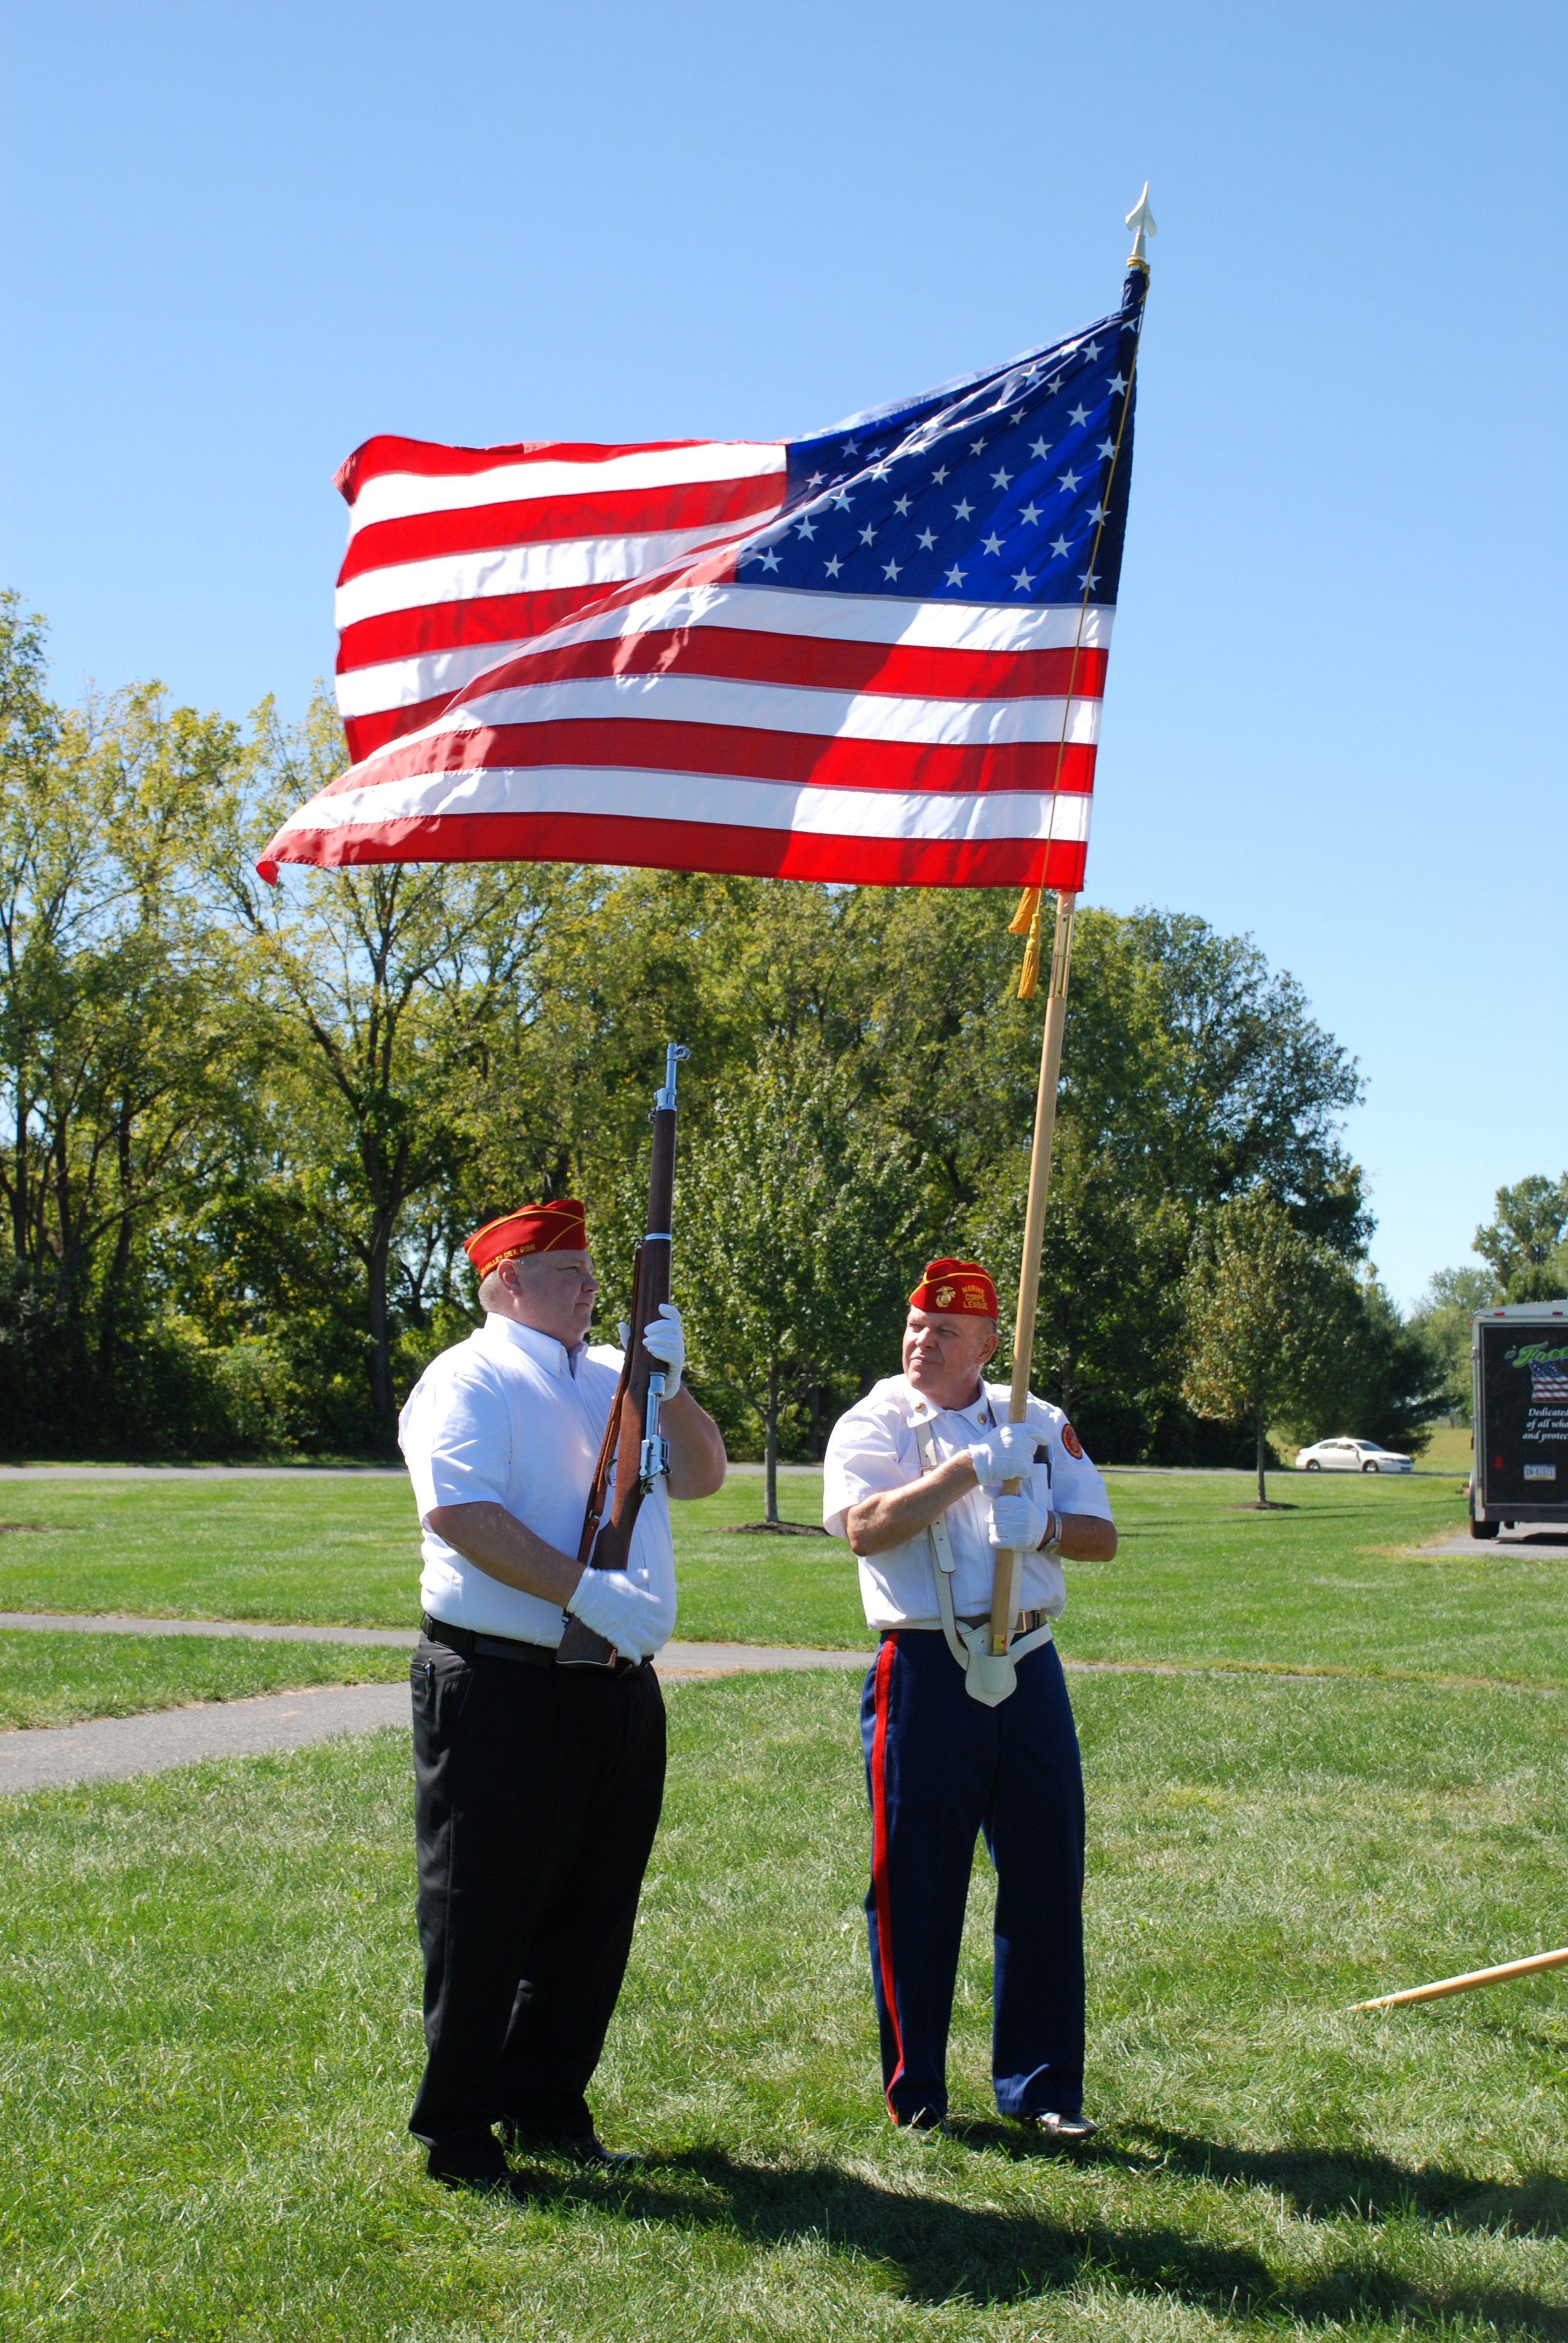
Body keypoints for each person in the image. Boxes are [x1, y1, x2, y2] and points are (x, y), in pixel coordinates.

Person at [397, 1196, 726, 2190]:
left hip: (616, 1684)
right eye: (567, 1271)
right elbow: (458, 1510)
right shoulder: (468, 1377)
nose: (591, 1287)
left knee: (594, 1911)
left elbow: (704, 1475)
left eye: (591, 1271)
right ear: (505, 1283)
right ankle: (457, 2132)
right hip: (502, 1679)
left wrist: (667, 1387)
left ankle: (546, 2103)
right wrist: (584, 1592)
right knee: (482, 1911)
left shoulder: (615, 1380)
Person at [822, 1256, 1117, 2139]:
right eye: (916, 1326)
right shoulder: (875, 1421)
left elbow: (1103, 1537)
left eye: (945, 1331)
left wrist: (1048, 1526)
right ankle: (918, 2097)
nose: (923, 1341)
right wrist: (967, 1473)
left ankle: (1043, 2090)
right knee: (914, 1882)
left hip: (1026, 1660)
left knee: (1044, 1874)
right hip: (923, 1666)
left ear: (990, 1343)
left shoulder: (1038, 1418)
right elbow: (866, 1530)